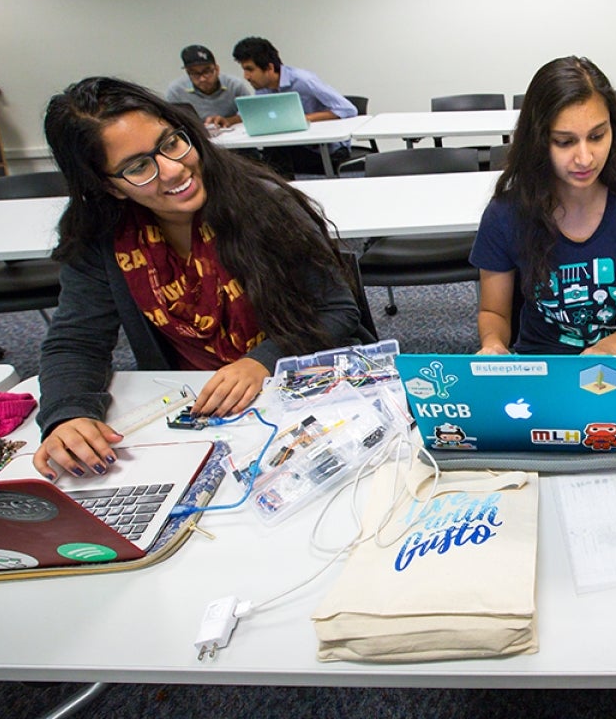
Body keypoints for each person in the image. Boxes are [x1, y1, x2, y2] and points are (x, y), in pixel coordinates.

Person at [34, 77, 373, 480]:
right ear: (110, 186)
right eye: (139, 167)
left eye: (171, 143)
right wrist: (67, 414)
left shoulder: (264, 205)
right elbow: (76, 341)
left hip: (302, 393)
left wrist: (261, 361)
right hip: (197, 408)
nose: (174, 169)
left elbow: (336, 311)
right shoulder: (102, 238)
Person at [469, 56, 616, 364]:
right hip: (539, 361)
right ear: (539, 142)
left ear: (614, 130)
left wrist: (609, 348)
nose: (585, 158)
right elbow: (493, 312)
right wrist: (493, 343)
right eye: (565, 142)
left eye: (597, 136)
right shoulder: (506, 213)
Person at [231, 36, 358, 176]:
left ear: (269, 68)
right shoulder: (263, 88)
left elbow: (348, 109)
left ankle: (280, 191)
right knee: (262, 153)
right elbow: (250, 114)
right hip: (295, 146)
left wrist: (305, 118)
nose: (246, 76)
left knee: (273, 156)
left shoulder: (304, 80)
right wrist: (227, 121)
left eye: (250, 69)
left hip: (327, 150)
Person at [164, 44, 253, 128]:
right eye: (195, 73)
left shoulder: (234, 85)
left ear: (217, 69)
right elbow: (171, 122)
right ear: (187, 73)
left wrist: (228, 120)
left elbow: (253, 113)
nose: (202, 79)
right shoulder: (176, 91)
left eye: (207, 71)